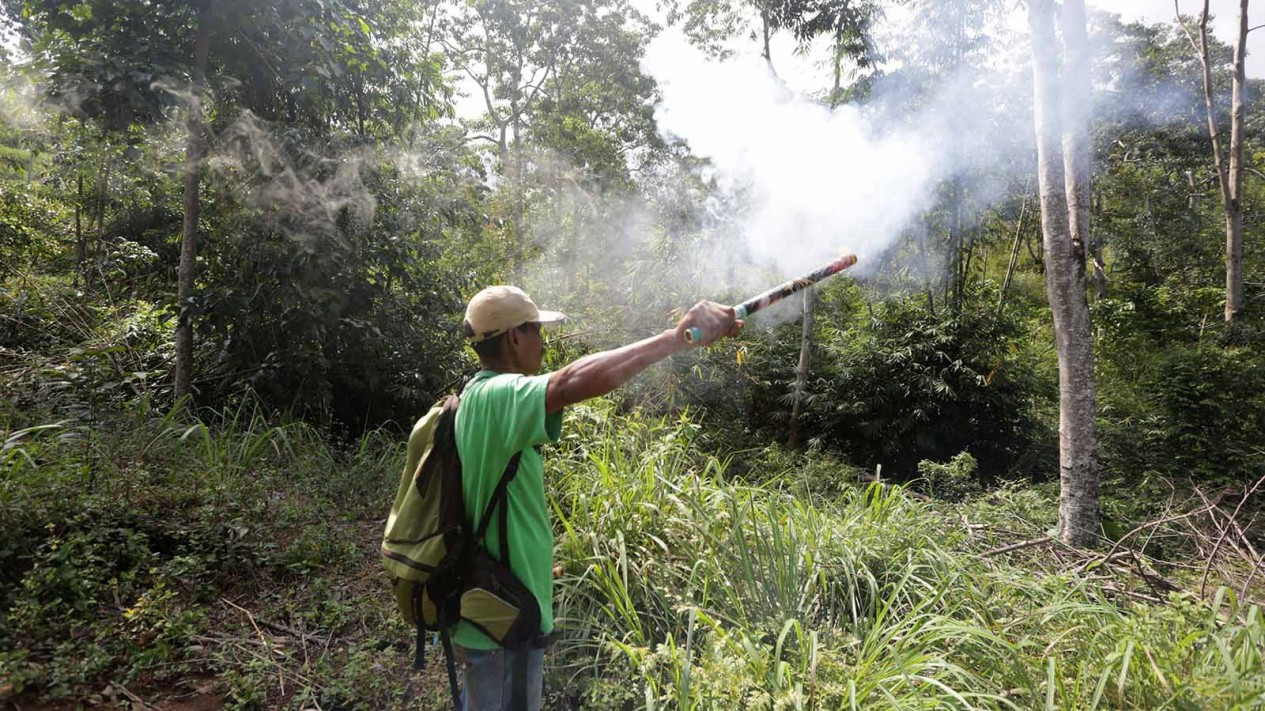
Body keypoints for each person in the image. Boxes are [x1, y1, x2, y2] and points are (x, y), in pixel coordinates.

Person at [452, 285, 741, 711]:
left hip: (497, 611)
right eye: (536, 331)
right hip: (500, 627)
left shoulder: (479, 396)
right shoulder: (498, 395)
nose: (543, 342)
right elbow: (571, 382)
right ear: (514, 337)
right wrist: (674, 338)